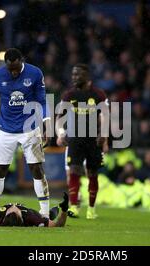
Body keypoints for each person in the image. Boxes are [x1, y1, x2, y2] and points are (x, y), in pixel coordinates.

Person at [0, 48, 52, 221]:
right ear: (6, 64)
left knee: (36, 169)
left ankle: (45, 213)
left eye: (16, 68)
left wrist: (47, 124)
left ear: (22, 60)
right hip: (6, 129)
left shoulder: (35, 73)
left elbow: (42, 100)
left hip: (30, 128)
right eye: (10, 69)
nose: (14, 72)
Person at [56, 64, 109, 219]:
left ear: (87, 76)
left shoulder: (98, 94)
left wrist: (103, 135)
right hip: (75, 139)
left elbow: (105, 116)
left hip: (93, 141)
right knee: (74, 171)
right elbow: (59, 118)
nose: (74, 77)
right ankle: (74, 207)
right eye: (73, 74)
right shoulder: (68, 95)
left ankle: (91, 209)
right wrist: (60, 133)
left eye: (77, 75)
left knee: (92, 173)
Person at [0, 190, 69, 227]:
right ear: (20, 215)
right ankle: (50, 214)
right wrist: (64, 210)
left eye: (10, 209)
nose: (13, 206)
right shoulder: (31, 218)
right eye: (15, 209)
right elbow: (58, 225)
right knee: (48, 216)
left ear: (5, 216)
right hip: (36, 213)